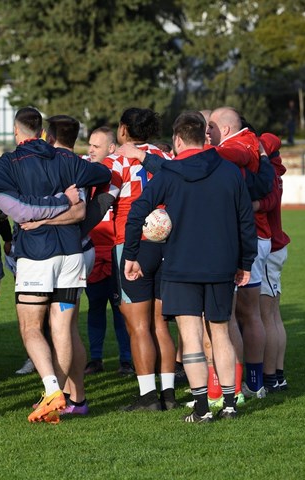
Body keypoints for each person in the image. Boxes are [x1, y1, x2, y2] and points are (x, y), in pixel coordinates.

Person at [0, 107, 111, 423]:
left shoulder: (11, 163)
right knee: (62, 328)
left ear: (17, 133)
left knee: (31, 327)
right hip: (72, 252)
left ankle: (51, 390)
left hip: (37, 253)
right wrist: (69, 199)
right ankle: (65, 398)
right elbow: (103, 175)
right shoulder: (66, 159)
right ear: (42, 133)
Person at [123, 111, 257, 422]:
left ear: (179, 140)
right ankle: (228, 405)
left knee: (192, 336)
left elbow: (137, 212)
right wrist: (245, 261)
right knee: (221, 333)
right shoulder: (229, 172)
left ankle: (200, 409)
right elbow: (245, 222)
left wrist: (131, 255)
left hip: (180, 267)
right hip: (221, 266)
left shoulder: (169, 173)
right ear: (204, 138)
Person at [110, 108, 177, 411]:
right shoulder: (167, 159)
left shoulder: (117, 160)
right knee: (160, 324)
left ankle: (148, 396)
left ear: (123, 129)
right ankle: (170, 394)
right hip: (167, 243)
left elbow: (103, 200)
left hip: (131, 246)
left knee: (138, 327)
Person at [207, 107, 269, 398]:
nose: (207, 135)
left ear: (227, 129)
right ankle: (249, 384)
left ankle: (243, 385)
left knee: (236, 315)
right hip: (251, 236)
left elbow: (238, 158)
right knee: (244, 314)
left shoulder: (237, 145)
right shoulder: (248, 143)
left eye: (210, 128)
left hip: (246, 238)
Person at [83, 126, 133, 376]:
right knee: (94, 308)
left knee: (120, 309)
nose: (90, 150)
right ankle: (96, 358)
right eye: (90, 145)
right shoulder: (86, 175)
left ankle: (126, 359)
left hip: (116, 253)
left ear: (111, 148)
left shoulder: (121, 172)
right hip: (93, 252)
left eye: (96, 145)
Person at [255, 132, 290, 391]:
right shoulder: (274, 174)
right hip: (277, 247)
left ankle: (270, 377)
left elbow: (270, 137)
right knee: (273, 316)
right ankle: (277, 376)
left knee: (266, 316)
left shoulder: (268, 175)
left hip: (270, 248)